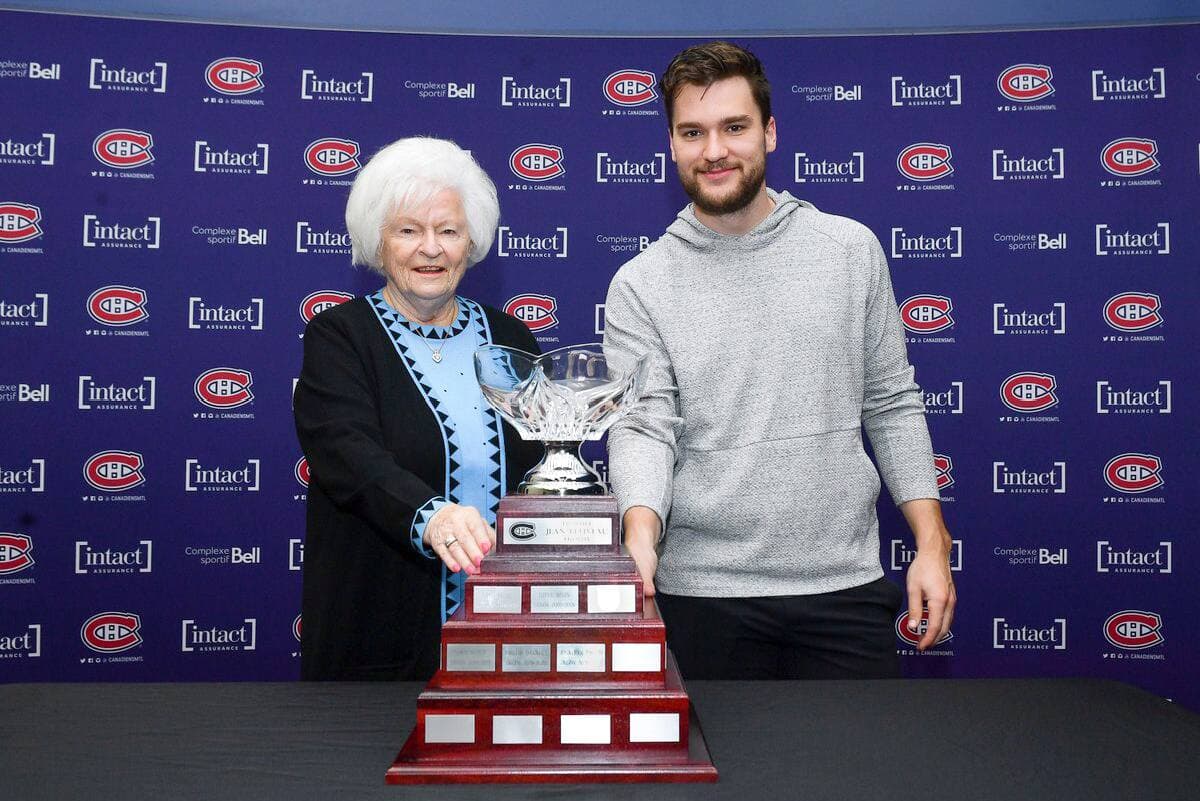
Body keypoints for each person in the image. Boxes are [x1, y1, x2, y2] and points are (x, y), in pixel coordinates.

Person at [602, 41, 956, 680]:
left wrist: (931, 542)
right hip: (699, 596)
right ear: (672, 144)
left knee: (858, 779)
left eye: (734, 127)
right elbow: (644, 428)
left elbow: (892, 403)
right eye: (692, 132)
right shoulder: (640, 284)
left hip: (844, 587)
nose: (714, 151)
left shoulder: (850, 252)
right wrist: (640, 541)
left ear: (769, 132)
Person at [294, 137, 541, 680]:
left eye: (448, 231)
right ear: (378, 243)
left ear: (470, 240)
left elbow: (542, 461)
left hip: (510, 638)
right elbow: (348, 453)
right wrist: (433, 518)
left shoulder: (508, 336)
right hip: (380, 636)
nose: (431, 248)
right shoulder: (340, 338)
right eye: (409, 230)